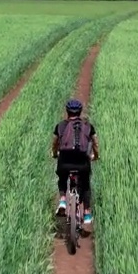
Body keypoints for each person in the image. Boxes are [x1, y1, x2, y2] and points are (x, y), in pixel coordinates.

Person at [51, 97, 99, 226]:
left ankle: (62, 200)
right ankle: (87, 213)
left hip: (65, 162)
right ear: (80, 111)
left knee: (62, 178)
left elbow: (55, 143)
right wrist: (96, 155)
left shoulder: (60, 126)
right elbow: (95, 143)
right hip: (82, 163)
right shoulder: (88, 126)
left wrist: (55, 153)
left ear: (67, 111)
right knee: (86, 185)